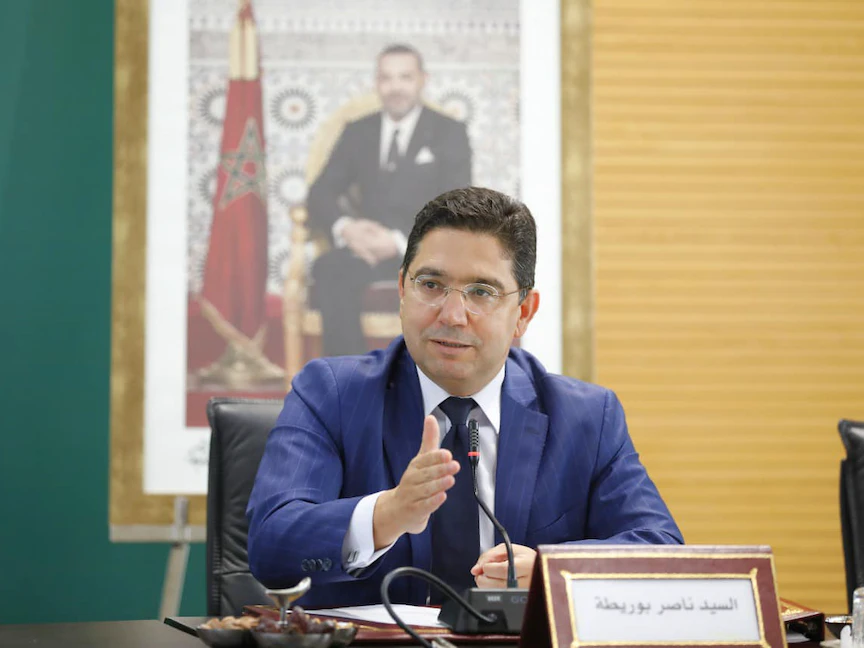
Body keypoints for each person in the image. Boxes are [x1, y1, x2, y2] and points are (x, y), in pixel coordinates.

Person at [248, 187, 683, 608]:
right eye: (431, 285)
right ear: (402, 290)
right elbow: (271, 548)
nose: (452, 315)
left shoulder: (585, 417)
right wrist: (387, 514)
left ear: (523, 313)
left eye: (481, 292)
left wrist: (554, 572)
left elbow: (662, 554)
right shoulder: (332, 394)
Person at [306, 43, 472, 356]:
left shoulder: (449, 133)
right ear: (377, 83)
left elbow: (457, 207)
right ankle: (353, 376)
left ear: (422, 80)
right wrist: (347, 229)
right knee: (329, 269)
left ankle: (425, 378)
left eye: (405, 77)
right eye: (387, 78)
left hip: (423, 253)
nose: (396, 87)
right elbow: (320, 192)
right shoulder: (358, 131)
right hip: (365, 250)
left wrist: (397, 242)